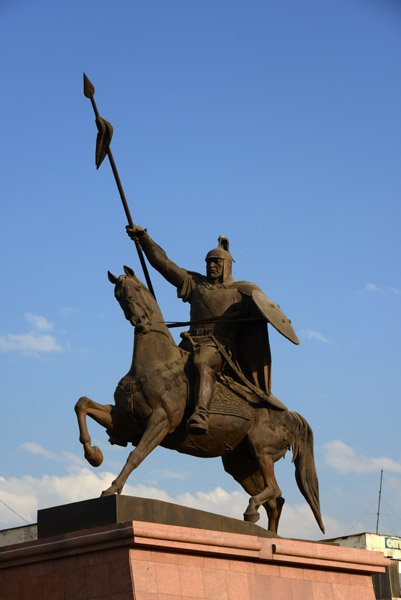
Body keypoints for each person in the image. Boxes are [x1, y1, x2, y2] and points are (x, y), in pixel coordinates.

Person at [126, 225, 288, 434]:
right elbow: (164, 264)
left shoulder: (243, 290)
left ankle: (201, 413)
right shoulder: (196, 284)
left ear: (227, 265)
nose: (211, 266)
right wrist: (144, 239)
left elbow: (268, 309)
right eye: (209, 262)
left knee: (203, 362)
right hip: (190, 341)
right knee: (162, 368)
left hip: (219, 347)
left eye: (216, 262)